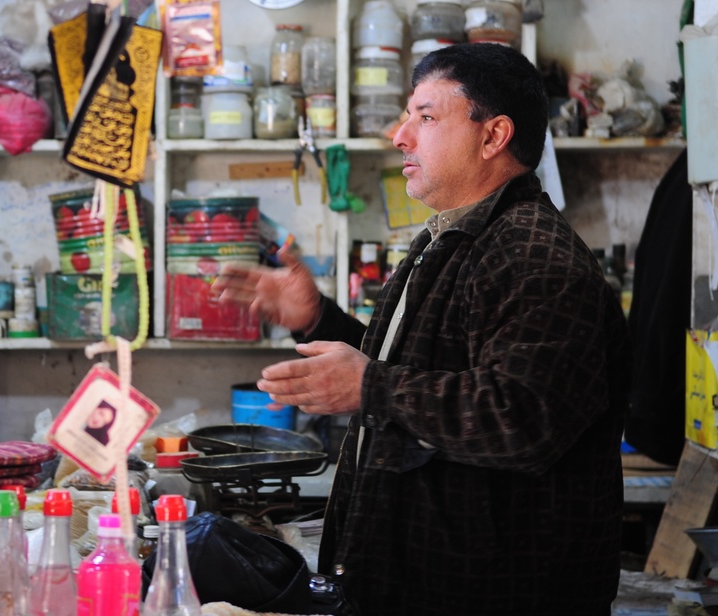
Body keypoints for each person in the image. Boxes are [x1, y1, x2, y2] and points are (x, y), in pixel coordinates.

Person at [212, 43, 632, 616]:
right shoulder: (453, 236)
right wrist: (319, 320)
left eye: (426, 117)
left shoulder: (534, 254)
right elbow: (419, 371)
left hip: (498, 596)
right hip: (423, 584)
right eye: (407, 115)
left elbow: (522, 416)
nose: (399, 135)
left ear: (493, 136)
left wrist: (370, 387)